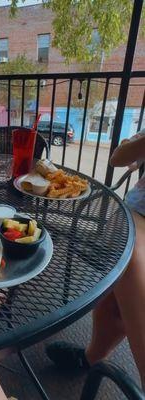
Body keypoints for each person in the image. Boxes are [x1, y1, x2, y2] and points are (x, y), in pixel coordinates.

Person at [46, 129, 145, 388]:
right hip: (137, 213)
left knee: (129, 260)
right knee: (112, 295)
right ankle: (92, 359)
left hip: (135, 227)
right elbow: (117, 159)